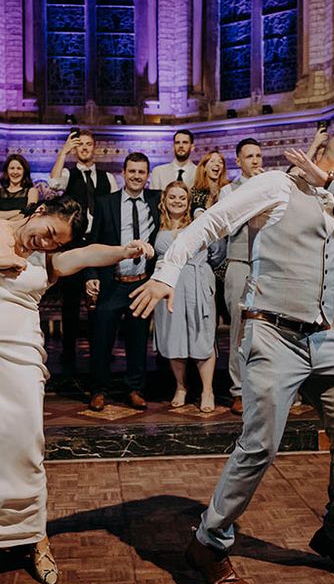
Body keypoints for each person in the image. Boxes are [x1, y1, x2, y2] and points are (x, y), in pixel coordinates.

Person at [130, 132, 334, 584]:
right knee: (261, 444)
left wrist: (332, 180)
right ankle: (207, 544)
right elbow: (210, 223)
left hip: (324, 338)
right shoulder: (274, 185)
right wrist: (165, 274)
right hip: (272, 333)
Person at [0, 196, 153, 584]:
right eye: (48, 231)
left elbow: (85, 255)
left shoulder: (48, 260)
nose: (46, 243)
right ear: (38, 213)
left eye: (55, 242)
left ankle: (37, 539)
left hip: (21, 362)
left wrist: (125, 250)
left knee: (25, 450)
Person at [84, 152, 161, 412]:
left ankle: (134, 389)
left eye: (142, 172)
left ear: (147, 175)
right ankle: (99, 390)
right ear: (123, 173)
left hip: (141, 283)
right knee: (102, 340)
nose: (137, 176)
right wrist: (91, 275)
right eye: (132, 171)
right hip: (112, 282)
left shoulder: (156, 200)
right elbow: (93, 242)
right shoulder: (106, 203)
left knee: (138, 341)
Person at [48, 130, 118, 383]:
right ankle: (68, 352)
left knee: (100, 302)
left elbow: (113, 207)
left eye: (89, 144)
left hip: (98, 242)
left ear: (95, 148)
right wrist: (63, 152)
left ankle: (101, 351)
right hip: (74, 244)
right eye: (81, 145)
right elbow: (53, 184)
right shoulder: (69, 174)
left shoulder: (107, 177)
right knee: (70, 302)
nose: (85, 148)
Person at [154, 182, 223, 412]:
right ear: (164, 200)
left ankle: (207, 390)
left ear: (188, 201)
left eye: (182, 197)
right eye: (172, 196)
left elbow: (217, 251)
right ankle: (181, 387)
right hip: (170, 287)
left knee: (202, 337)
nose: (177, 201)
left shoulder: (198, 223)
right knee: (175, 338)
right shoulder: (156, 224)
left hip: (196, 283)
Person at [219, 138, 263, 415]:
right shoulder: (228, 190)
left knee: (266, 330)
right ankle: (238, 390)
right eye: (249, 156)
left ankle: (262, 388)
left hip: (267, 264)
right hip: (239, 263)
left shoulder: (271, 183)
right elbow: (231, 222)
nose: (256, 161)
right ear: (238, 160)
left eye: (259, 155)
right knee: (239, 330)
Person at [0, 153, 38, 220]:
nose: (15, 172)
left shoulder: (32, 191)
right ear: (7, 171)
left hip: (22, 229)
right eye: (12, 168)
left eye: (19, 168)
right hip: (1, 229)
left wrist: (2, 216)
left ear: (24, 171)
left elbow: (29, 214)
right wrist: (20, 211)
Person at [190, 150, 229, 217]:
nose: (217, 164)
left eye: (220, 162)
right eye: (212, 161)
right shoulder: (196, 191)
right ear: (204, 167)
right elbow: (196, 210)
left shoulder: (228, 189)